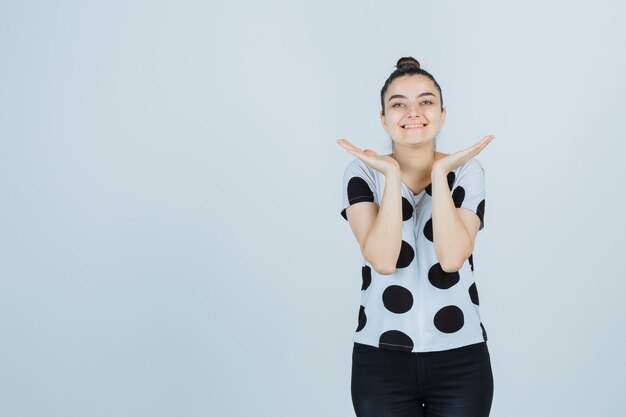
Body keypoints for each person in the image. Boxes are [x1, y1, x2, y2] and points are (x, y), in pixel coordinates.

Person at [337, 57, 495, 417]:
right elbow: (383, 259)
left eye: (426, 101)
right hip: (380, 360)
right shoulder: (362, 171)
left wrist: (441, 173)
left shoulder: (466, 170)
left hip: (461, 358)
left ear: (441, 114)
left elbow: (452, 258)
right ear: (383, 118)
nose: (414, 112)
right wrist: (392, 177)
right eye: (398, 104)